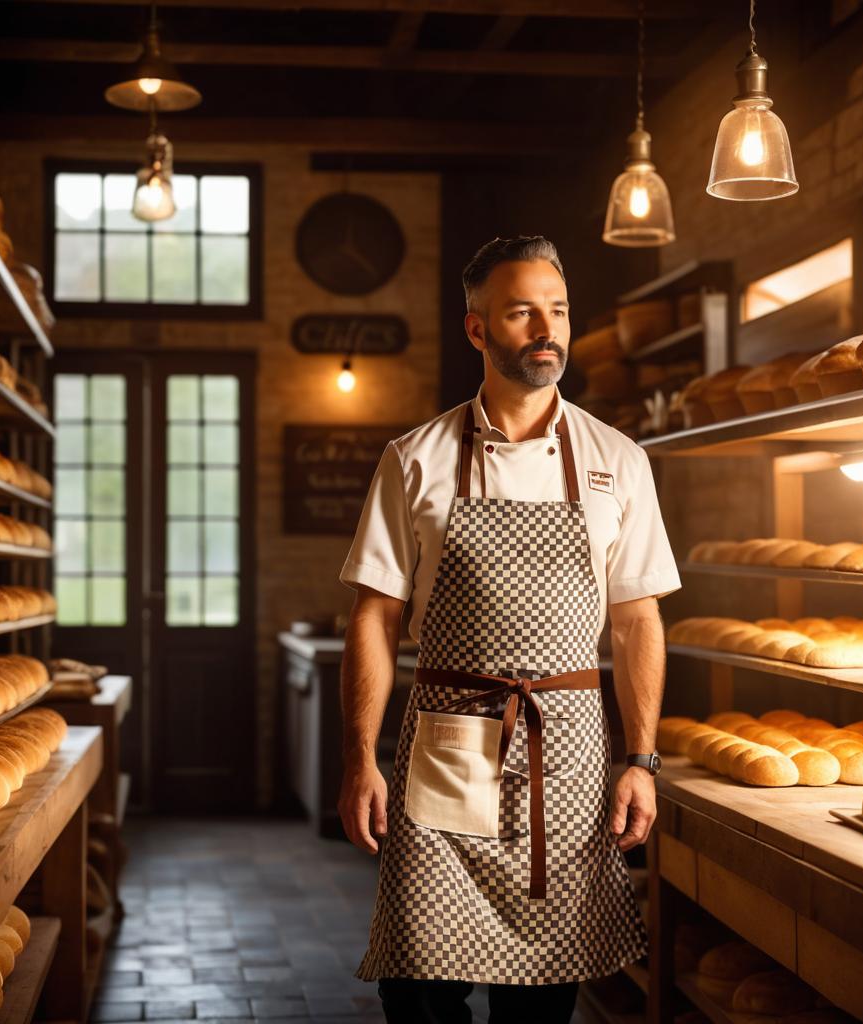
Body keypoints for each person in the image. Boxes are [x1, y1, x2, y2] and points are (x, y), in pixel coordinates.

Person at [338, 235, 680, 1023]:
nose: (546, 329)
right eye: (522, 311)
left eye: (557, 310)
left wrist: (643, 761)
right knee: (416, 985)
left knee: (542, 999)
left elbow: (635, 622)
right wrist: (360, 757)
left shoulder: (618, 460)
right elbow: (374, 615)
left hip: (567, 758)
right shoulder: (415, 459)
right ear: (477, 329)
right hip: (448, 749)